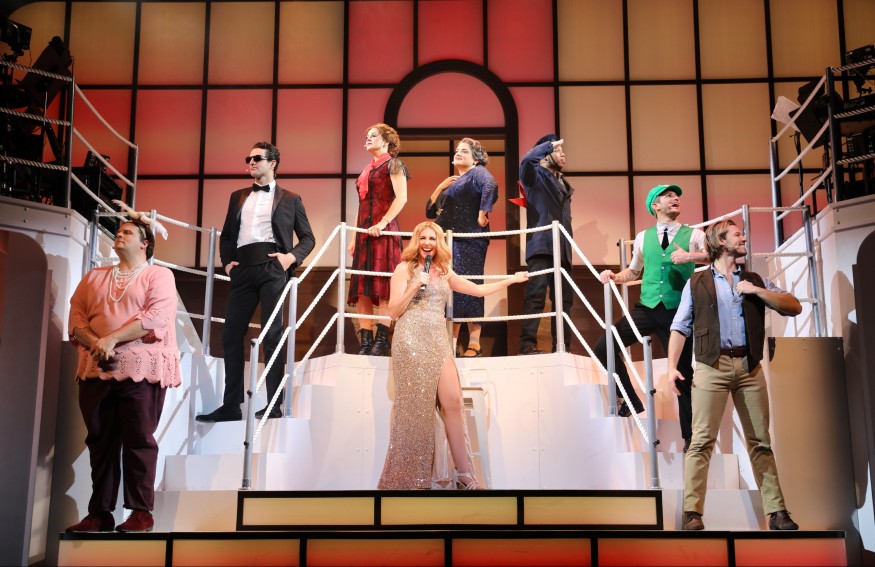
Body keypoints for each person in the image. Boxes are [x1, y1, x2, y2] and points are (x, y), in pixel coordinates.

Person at [668, 219, 802, 532]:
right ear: (720, 242)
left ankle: (777, 512)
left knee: (760, 442)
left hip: (749, 367)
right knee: (701, 441)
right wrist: (672, 366)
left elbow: (793, 306)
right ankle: (692, 512)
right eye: (738, 234)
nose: (744, 238)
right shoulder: (697, 282)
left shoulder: (754, 279)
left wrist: (757, 291)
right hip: (710, 367)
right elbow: (680, 326)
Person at [378, 221, 528, 490]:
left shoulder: (445, 271)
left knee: (454, 402)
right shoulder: (404, 269)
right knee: (415, 409)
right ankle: (410, 477)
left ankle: (464, 474)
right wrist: (414, 285)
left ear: (438, 243)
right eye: (423, 238)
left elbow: (477, 290)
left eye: (432, 239)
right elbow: (393, 311)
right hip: (410, 339)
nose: (427, 243)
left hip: (437, 339)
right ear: (416, 241)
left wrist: (512, 280)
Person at [66, 218, 181, 533]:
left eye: (127, 232)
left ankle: (141, 512)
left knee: (138, 439)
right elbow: (76, 315)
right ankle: (100, 514)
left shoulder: (159, 275)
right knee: (100, 441)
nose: (119, 235)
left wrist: (111, 339)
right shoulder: (95, 276)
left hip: (140, 367)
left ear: (145, 243)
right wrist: (97, 343)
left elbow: (156, 316)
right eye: (117, 232)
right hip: (98, 367)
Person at [197, 142, 315, 422]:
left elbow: (308, 238)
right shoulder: (237, 196)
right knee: (230, 334)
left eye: (257, 158)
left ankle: (274, 404)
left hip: (273, 266)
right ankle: (231, 406)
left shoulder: (291, 199)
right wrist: (227, 262)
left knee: (272, 334)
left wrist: (289, 258)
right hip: (242, 269)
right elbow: (228, 234)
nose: (250, 162)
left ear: (273, 163)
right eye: (248, 158)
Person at [596, 184, 706, 452]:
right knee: (604, 346)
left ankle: (691, 439)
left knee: (682, 374)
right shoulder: (643, 237)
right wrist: (614, 276)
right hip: (646, 308)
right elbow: (634, 272)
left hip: (678, 312)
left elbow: (716, 255)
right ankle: (631, 399)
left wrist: (691, 256)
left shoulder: (695, 234)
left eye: (676, 195)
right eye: (668, 196)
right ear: (655, 206)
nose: (675, 198)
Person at [425, 137, 498, 357]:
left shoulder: (478, 173)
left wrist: (482, 213)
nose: (458, 153)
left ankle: (474, 343)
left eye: (464, 151)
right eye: (457, 150)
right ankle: (451, 341)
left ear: (475, 159)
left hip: (469, 241)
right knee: (449, 289)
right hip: (448, 242)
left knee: (469, 286)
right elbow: (430, 212)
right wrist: (441, 186)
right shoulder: (454, 182)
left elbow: (491, 185)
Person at [348, 123, 409, 356]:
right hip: (365, 234)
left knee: (384, 287)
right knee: (362, 288)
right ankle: (366, 341)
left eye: (373, 135)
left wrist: (382, 223)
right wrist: (354, 236)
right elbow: (361, 205)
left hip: (384, 232)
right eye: (367, 135)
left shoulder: (393, 164)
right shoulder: (366, 169)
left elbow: (401, 198)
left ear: (386, 141)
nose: (368, 138)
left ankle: (382, 340)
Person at [517, 134, 574, 355]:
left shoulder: (564, 183)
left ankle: (562, 347)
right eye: (558, 151)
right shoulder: (535, 177)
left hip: (564, 249)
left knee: (564, 302)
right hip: (541, 246)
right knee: (535, 296)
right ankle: (527, 345)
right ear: (545, 154)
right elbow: (526, 161)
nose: (563, 154)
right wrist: (549, 145)